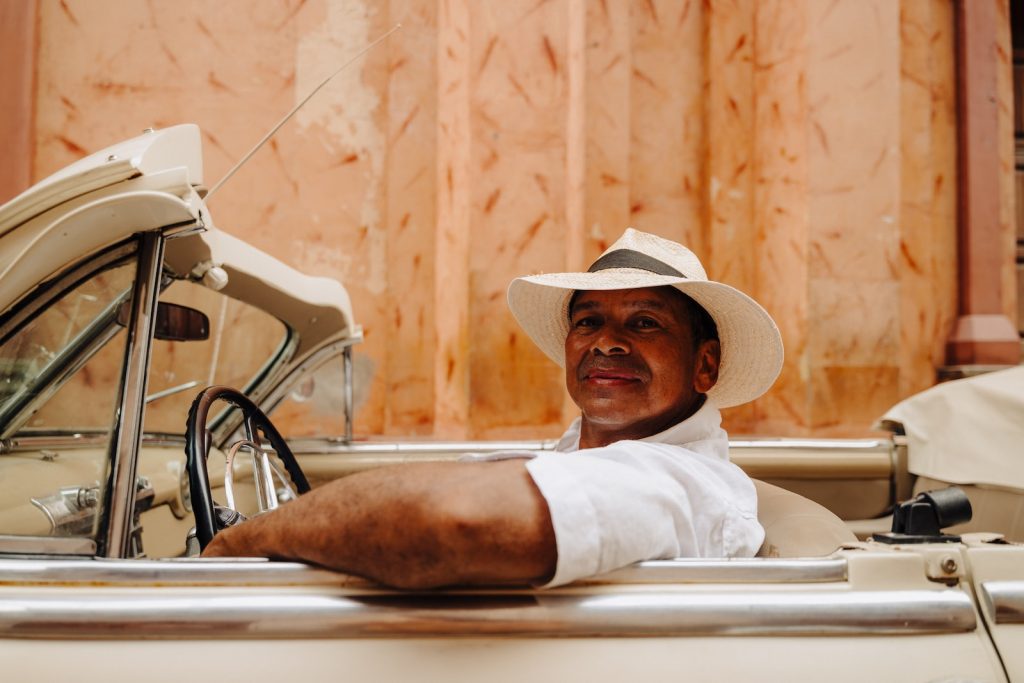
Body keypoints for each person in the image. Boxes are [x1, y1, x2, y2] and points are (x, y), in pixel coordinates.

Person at [202, 228, 784, 589]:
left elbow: (449, 521)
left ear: (703, 367)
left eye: (645, 322)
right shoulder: (587, 457)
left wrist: (242, 542)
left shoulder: (679, 481)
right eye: (588, 321)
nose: (607, 341)